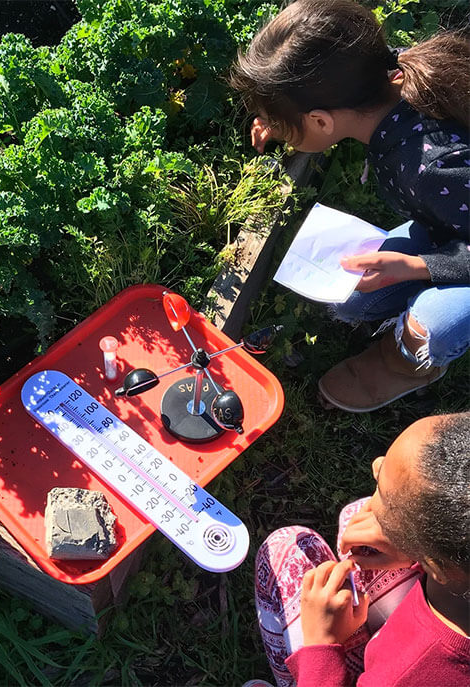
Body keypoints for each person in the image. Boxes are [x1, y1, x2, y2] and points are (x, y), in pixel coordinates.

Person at [229, 0, 470, 412]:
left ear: (322, 121)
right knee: (350, 296)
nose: (273, 127)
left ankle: (408, 363)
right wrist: (281, 118)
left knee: (431, 327)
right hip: (451, 220)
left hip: (457, 228)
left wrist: (419, 267)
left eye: (280, 120)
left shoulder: (430, 167)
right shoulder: (389, 85)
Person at [253, 412, 470, 686]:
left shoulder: (408, 674)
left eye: (385, 495)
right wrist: (412, 550)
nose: (376, 464)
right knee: (359, 517)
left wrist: (321, 644)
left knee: (284, 545)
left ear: (438, 565)